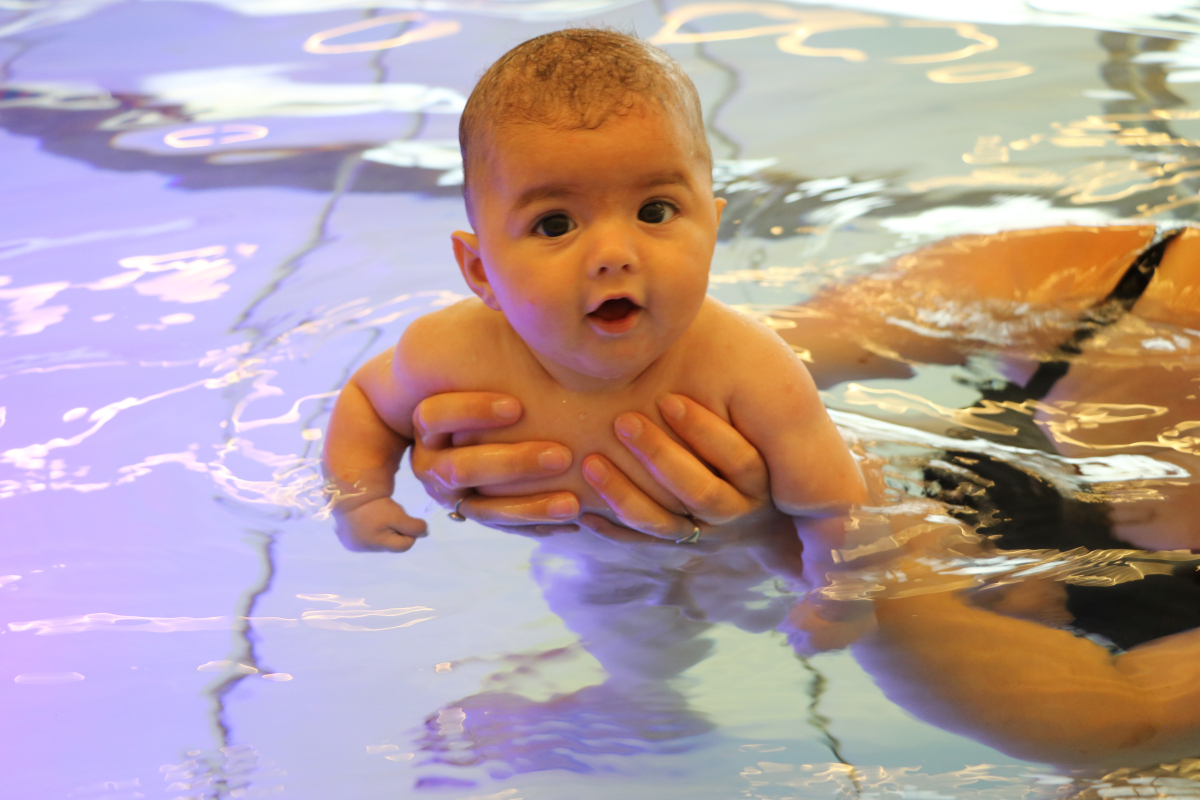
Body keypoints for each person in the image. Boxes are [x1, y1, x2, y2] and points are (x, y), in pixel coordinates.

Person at [321, 29, 866, 556]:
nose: (614, 253)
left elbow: (834, 508)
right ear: (481, 272)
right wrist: (360, 500)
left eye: (654, 211)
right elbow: (367, 403)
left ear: (712, 231)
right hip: (594, 564)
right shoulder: (449, 353)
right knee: (625, 643)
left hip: (746, 555)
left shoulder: (749, 369)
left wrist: (835, 594)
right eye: (555, 224)